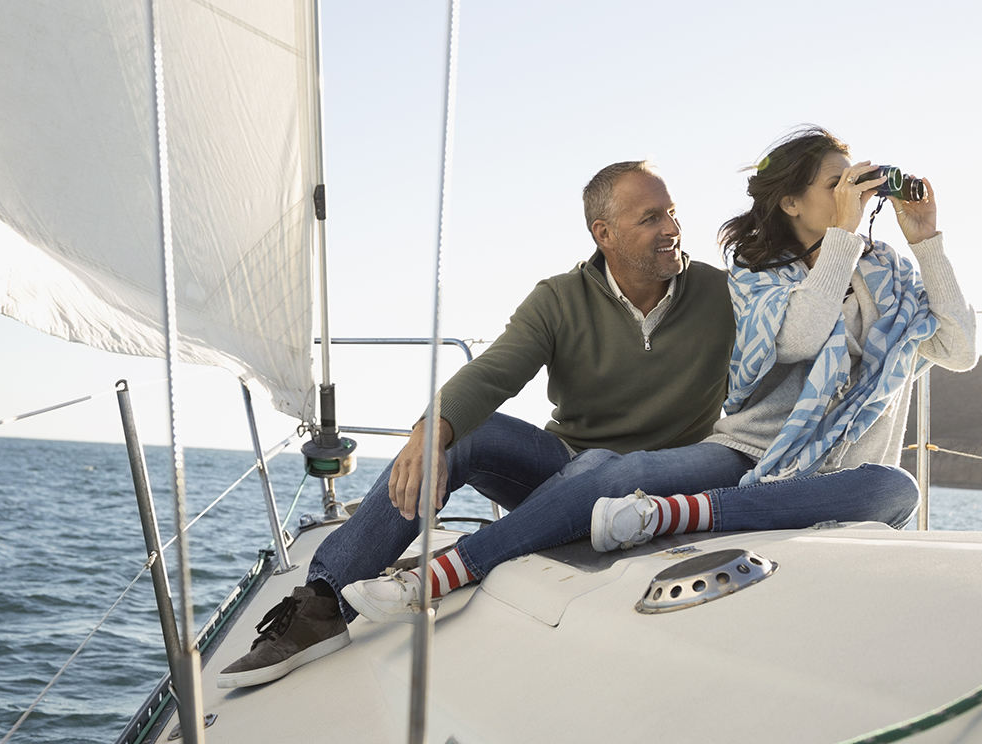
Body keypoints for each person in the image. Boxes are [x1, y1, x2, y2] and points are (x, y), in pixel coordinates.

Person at [341, 126, 975, 622]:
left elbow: (959, 348)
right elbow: (803, 333)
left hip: (829, 480)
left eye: (856, 182)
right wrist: (434, 425)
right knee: (604, 471)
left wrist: (925, 237)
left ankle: (671, 515)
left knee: (896, 490)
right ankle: (409, 579)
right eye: (837, 181)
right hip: (745, 459)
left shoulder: (886, 275)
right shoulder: (757, 279)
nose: (853, 192)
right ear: (791, 200)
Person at [217, 160, 734, 688]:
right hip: (567, 471)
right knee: (469, 436)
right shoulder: (559, 299)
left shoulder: (724, 294)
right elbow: (492, 374)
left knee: (603, 466)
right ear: (603, 234)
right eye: (651, 218)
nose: (672, 229)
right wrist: (429, 433)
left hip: (672, 481)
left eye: (672, 213)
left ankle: (466, 560)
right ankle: (322, 606)